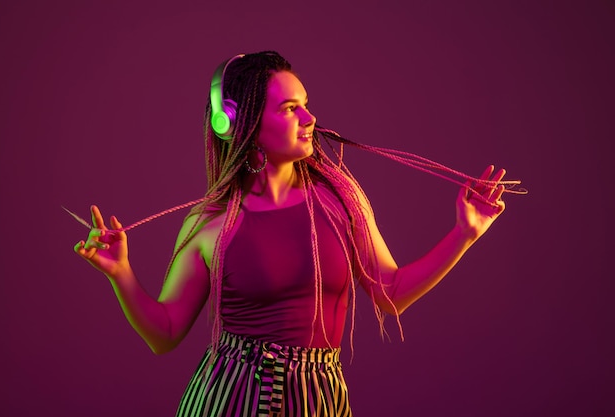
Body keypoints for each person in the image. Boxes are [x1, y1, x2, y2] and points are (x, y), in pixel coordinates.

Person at [73, 51, 509, 417]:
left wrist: (464, 234)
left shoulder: (341, 200)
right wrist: (121, 273)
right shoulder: (210, 221)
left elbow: (390, 291)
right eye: (289, 109)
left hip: (319, 397)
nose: (309, 117)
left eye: (305, 103)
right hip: (229, 399)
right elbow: (164, 333)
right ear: (238, 123)